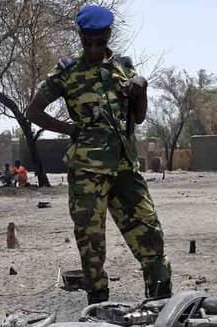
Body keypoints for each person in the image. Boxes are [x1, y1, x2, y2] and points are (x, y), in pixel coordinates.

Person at [27, 5, 172, 304]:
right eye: (87, 42)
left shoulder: (124, 67)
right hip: (87, 172)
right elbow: (33, 111)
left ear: (108, 36)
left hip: (124, 168)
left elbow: (139, 118)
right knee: (91, 243)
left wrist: (141, 87)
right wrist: (70, 130)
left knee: (149, 232)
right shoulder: (67, 70)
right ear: (80, 36)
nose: (93, 48)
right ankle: (99, 307)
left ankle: (159, 304)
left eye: (99, 42)